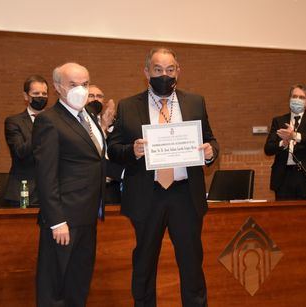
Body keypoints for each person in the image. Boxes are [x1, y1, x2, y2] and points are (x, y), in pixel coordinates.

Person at [107, 47, 219, 307]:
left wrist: (211, 151)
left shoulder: (195, 101)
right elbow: (113, 148)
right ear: (146, 72)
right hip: (148, 195)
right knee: (144, 266)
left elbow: (210, 138)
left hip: (185, 194)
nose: (164, 75)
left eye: (170, 70)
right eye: (158, 70)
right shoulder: (127, 105)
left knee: (192, 266)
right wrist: (130, 151)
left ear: (178, 71)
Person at [32, 63, 106, 306]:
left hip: (87, 216)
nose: (81, 90)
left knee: (78, 285)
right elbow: (46, 175)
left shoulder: (90, 118)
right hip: (64, 221)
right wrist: (57, 221)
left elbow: (96, 161)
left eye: (85, 84)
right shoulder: (49, 121)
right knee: (55, 289)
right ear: (57, 87)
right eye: (73, 85)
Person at [264, 84, 306, 200]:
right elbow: (268, 149)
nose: (297, 100)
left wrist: (294, 135)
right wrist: (283, 143)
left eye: (301, 97)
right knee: (285, 215)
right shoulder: (279, 121)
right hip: (284, 178)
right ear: (290, 99)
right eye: (294, 96)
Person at [4, 75, 49, 207]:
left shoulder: (56, 120)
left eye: (44, 93)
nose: (40, 96)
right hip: (24, 192)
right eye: (36, 93)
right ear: (26, 96)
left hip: (51, 192)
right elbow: (20, 152)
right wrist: (40, 126)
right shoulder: (14, 122)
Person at [86, 85, 124, 204]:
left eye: (99, 96)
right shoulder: (79, 123)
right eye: (91, 96)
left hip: (112, 186)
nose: (95, 99)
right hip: (89, 186)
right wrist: (103, 127)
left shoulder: (114, 121)